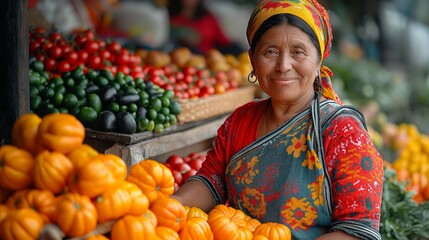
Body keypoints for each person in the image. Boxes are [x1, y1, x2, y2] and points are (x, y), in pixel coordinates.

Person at [172, 0, 384, 239]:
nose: (283, 66)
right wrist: (169, 208)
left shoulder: (343, 134)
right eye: (270, 51)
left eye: (298, 52)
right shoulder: (240, 121)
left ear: (319, 61)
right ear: (252, 59)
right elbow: (212, 182)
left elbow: (358, 231)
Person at [167, 0, 240, 54]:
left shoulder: (209, 18)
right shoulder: (169, 18)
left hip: (209, 60)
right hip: (182, 60)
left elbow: (225, 42)